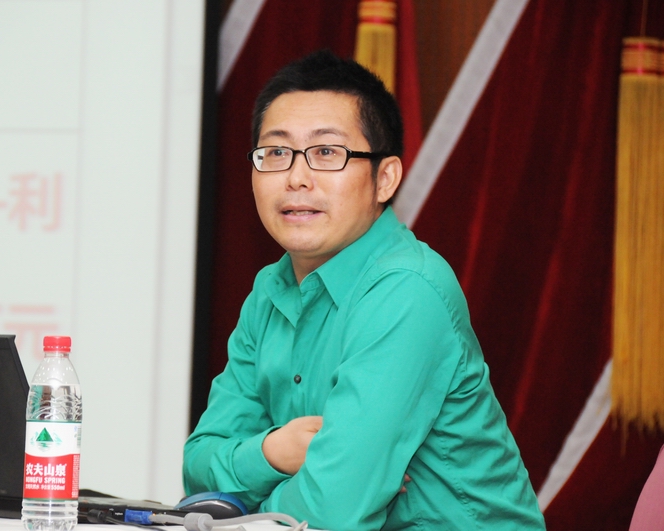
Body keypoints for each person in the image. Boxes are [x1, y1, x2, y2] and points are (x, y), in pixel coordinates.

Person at [183, 50, 545, 530]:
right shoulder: (270, 290)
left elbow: (334, 511)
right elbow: (198, 466)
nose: (296, 178)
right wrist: (273, 452)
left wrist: (243, 506)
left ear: (385, 178)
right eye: (276, 153)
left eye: (326, 153)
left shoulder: (407, 289)